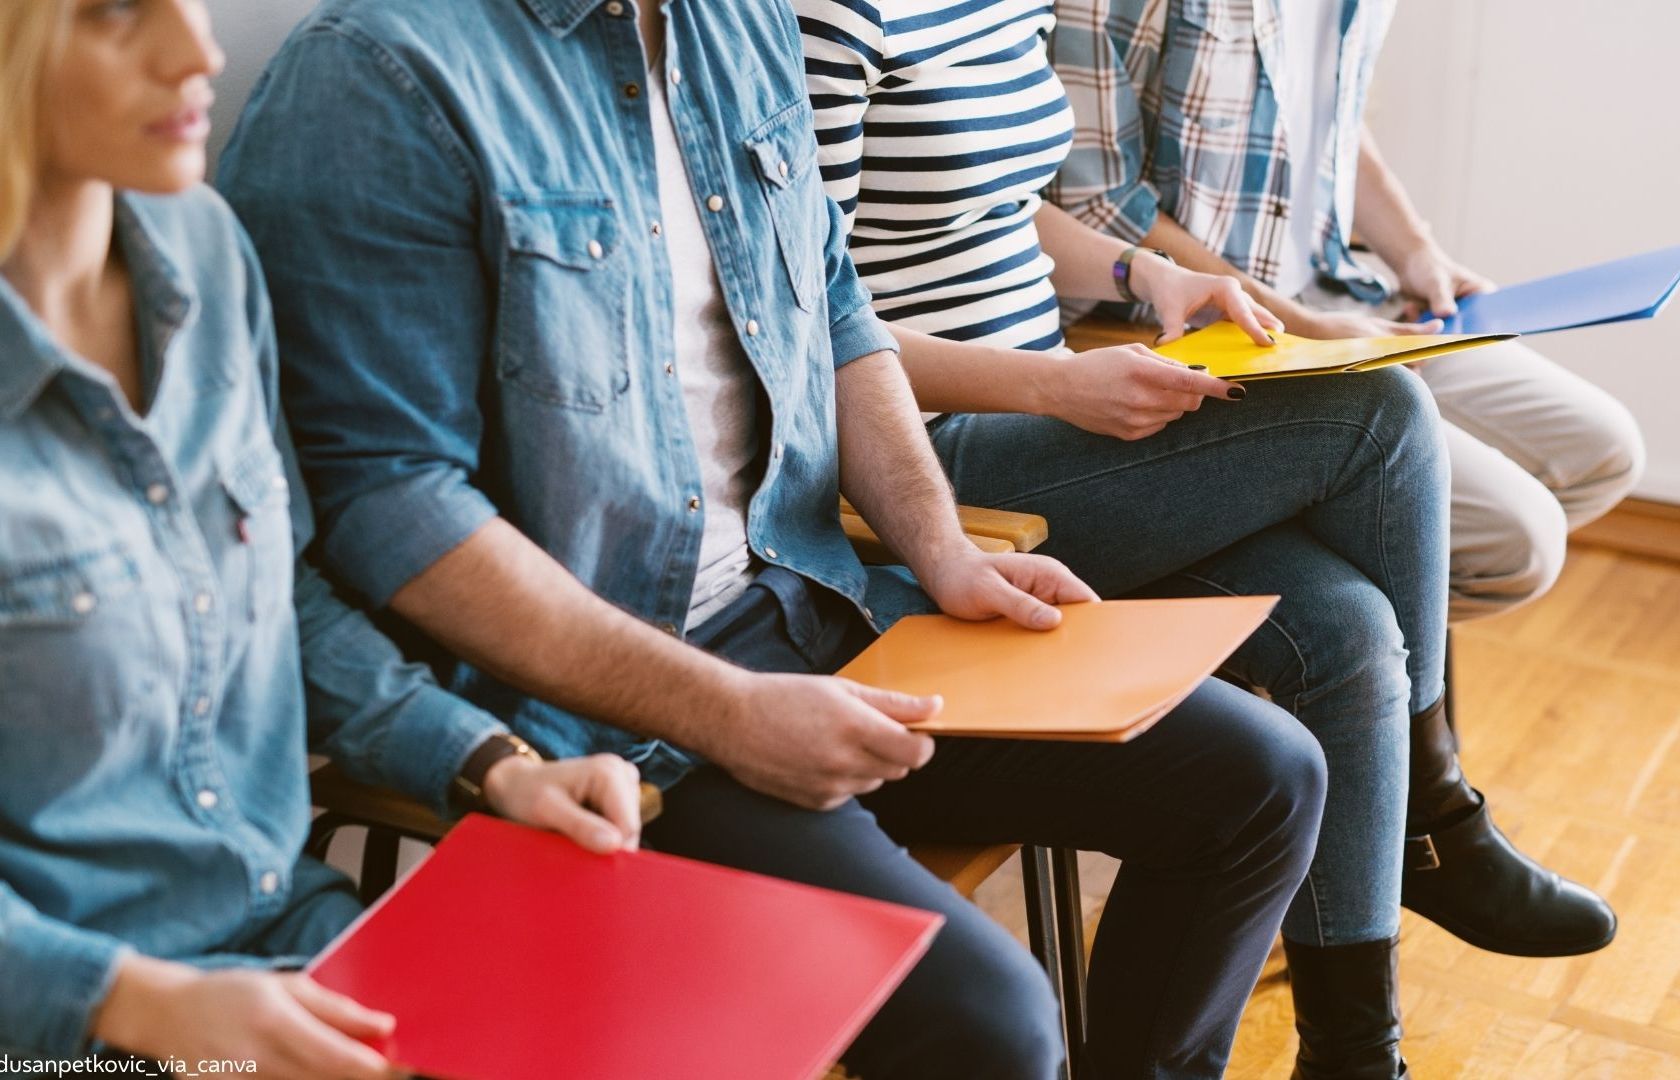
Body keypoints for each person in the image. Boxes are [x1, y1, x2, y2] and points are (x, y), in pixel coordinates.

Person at [215, 0, 1333, 1076]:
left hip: (812, 602)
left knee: (1265, 780)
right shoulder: (375, 75)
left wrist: (940, 550)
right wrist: (727, 711)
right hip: (609, 722)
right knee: (993, 1024)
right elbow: (390, 506)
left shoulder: (733, 18)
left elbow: (830, 306)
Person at [795, 1, 1617, 1076]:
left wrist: (1145, 276)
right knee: (1382, 412)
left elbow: (1000, 202)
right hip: (929, 455)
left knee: (1353, 632)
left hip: (1052, 414)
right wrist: (1057, 383)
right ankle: (1436, 817)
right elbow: (812, 318)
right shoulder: (826, 19)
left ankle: (1355, 1053)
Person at [0, 1, 642, 1072]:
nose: (197, 53)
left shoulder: (204, 249)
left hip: (285, 938)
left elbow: (275, 601)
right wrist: (140, 1006)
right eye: (114, 12)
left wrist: (489, 762)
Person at [1048, 0, 1645, 622]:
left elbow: (1331, 114)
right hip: (1188, 332)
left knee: (1601, 451)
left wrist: (1415, 251)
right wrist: (1308, 332)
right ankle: (1323, 649)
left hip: (1335, 295)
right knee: (1514, 543)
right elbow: (1097, 204)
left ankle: (1339, 621)